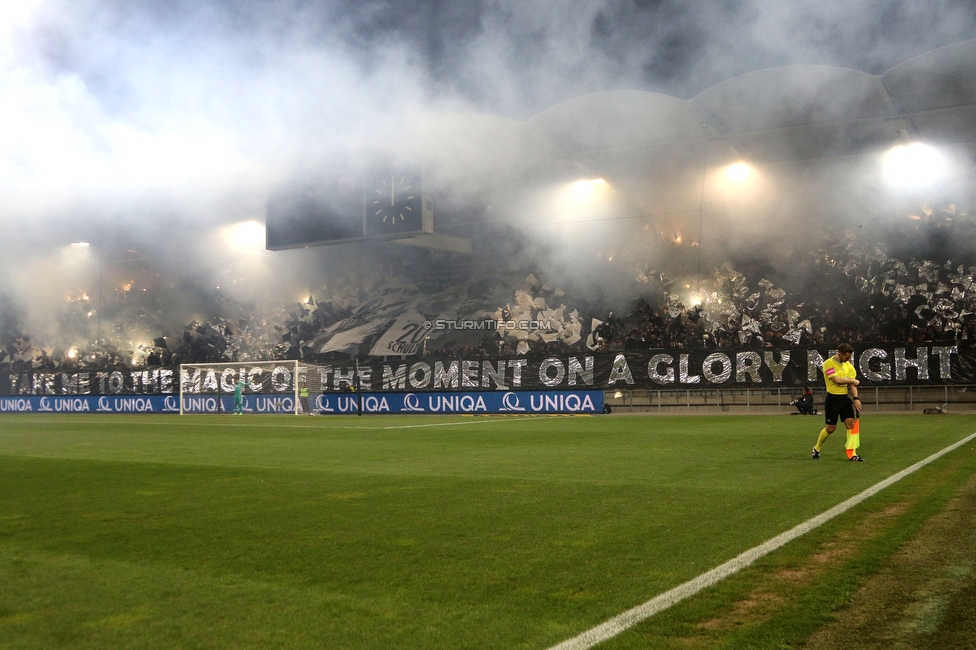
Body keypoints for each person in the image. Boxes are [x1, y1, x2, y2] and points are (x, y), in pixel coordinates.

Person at [812, 343, 863, 461]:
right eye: (846, 357)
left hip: (844, 398)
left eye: (849, 357)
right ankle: (817, 448)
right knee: (831, 428)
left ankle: (852, 454)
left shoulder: (849, 366)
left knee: (851, 424)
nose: (848, 359)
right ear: (839, 354)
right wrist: (853, 381)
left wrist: (856, 399)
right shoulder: (828, 363)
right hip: (832, 399)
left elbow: (852, 385)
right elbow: (836, 380)